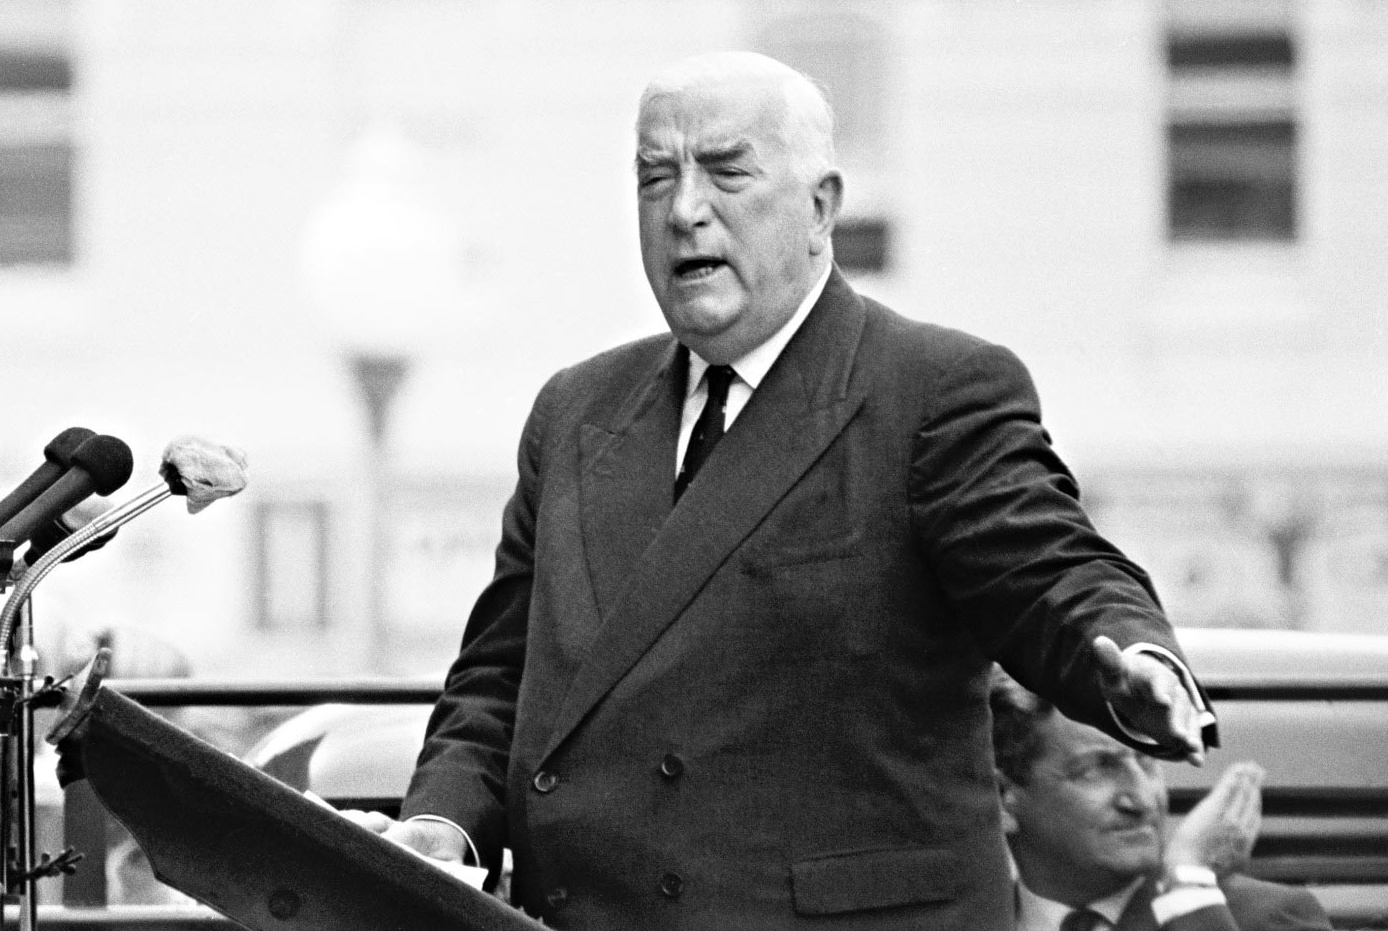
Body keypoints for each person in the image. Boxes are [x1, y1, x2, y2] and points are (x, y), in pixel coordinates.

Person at [351, 51, 1216, 928]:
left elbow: (1046, 568)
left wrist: (1132, 656)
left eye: (728, 172)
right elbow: (500, 677)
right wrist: (440, 825)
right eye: (655, 178)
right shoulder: (577, 411)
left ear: (821, 207)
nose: (685, 209)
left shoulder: (933, 388)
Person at [991, 675, 1329, 930]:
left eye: (1148, 762)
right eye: (1097, 769)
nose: (1141, 800)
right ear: (1004, 798)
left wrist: (1189, 892)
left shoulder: (1270, 918)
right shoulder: (963, 921)